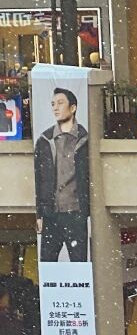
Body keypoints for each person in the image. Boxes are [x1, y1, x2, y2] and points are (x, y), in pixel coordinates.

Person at [34, 87, 90, 263]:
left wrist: (87, 211)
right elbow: (38, 178)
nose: (55, 108)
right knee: (47, 264)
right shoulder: (44, 140)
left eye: (60, 103)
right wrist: (39, 213)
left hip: (76, 213)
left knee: (79, 264)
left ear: (73, 108)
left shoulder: (86, 140)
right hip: (51, 214)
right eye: (53, 104)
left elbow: (91, 178)